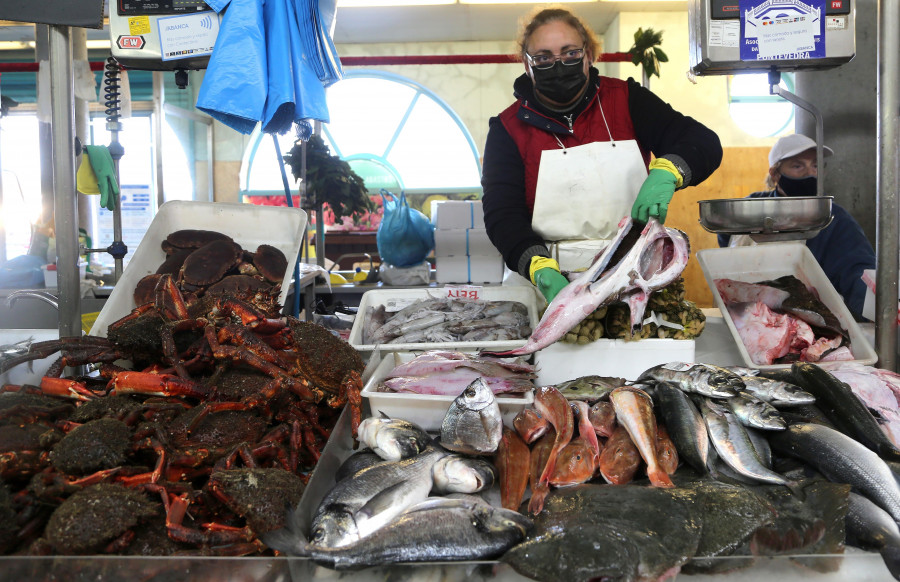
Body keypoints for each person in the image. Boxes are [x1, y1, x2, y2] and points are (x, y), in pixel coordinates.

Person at [481, 6, 722, 304]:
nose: (558, 65)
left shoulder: (628, 100)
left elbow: (702, 141)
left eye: (570, 53)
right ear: (527, 65)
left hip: (634, 274)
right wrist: (536, 265)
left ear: (590, 54)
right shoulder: (507, 129)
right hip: (545, 287)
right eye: (543, 58)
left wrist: (669, 170)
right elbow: (502, 212)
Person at [717, 133, 876, 317]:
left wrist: (877, 313)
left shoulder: (833, 218)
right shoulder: (750, 208)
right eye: (798, 166)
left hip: (811, 326)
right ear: (775, 174)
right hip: (744, 316)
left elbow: (858, 271)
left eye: (815, 165)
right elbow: (726, 244)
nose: (810, 173)